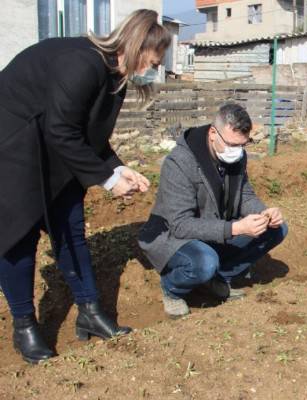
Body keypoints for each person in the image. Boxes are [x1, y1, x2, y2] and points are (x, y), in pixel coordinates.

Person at [0, 10, 171, 364]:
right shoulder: (82, 63)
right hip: (12, 144)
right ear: (136, 46)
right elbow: (62, 130)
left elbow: (87, 133)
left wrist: (119, 168)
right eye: (150, 61)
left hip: (49, 142)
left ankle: (90, 311)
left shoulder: (114, 77)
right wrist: (108, 180)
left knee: (71, 227)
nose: (149, 70)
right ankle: (24, 326)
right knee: (20, 235)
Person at [138, 103, 288, 319]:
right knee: (204, 262)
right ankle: (172, 289)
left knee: (277, 229)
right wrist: (235, 228)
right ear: (212, 133)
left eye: (242, 145)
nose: (236, 151)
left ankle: (217, 279)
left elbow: (245, 196)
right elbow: (180, 225)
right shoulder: (179, 162)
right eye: (231, 144)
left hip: (214, 226)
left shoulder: (236, 157)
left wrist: (265, 213)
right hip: (173, 236)